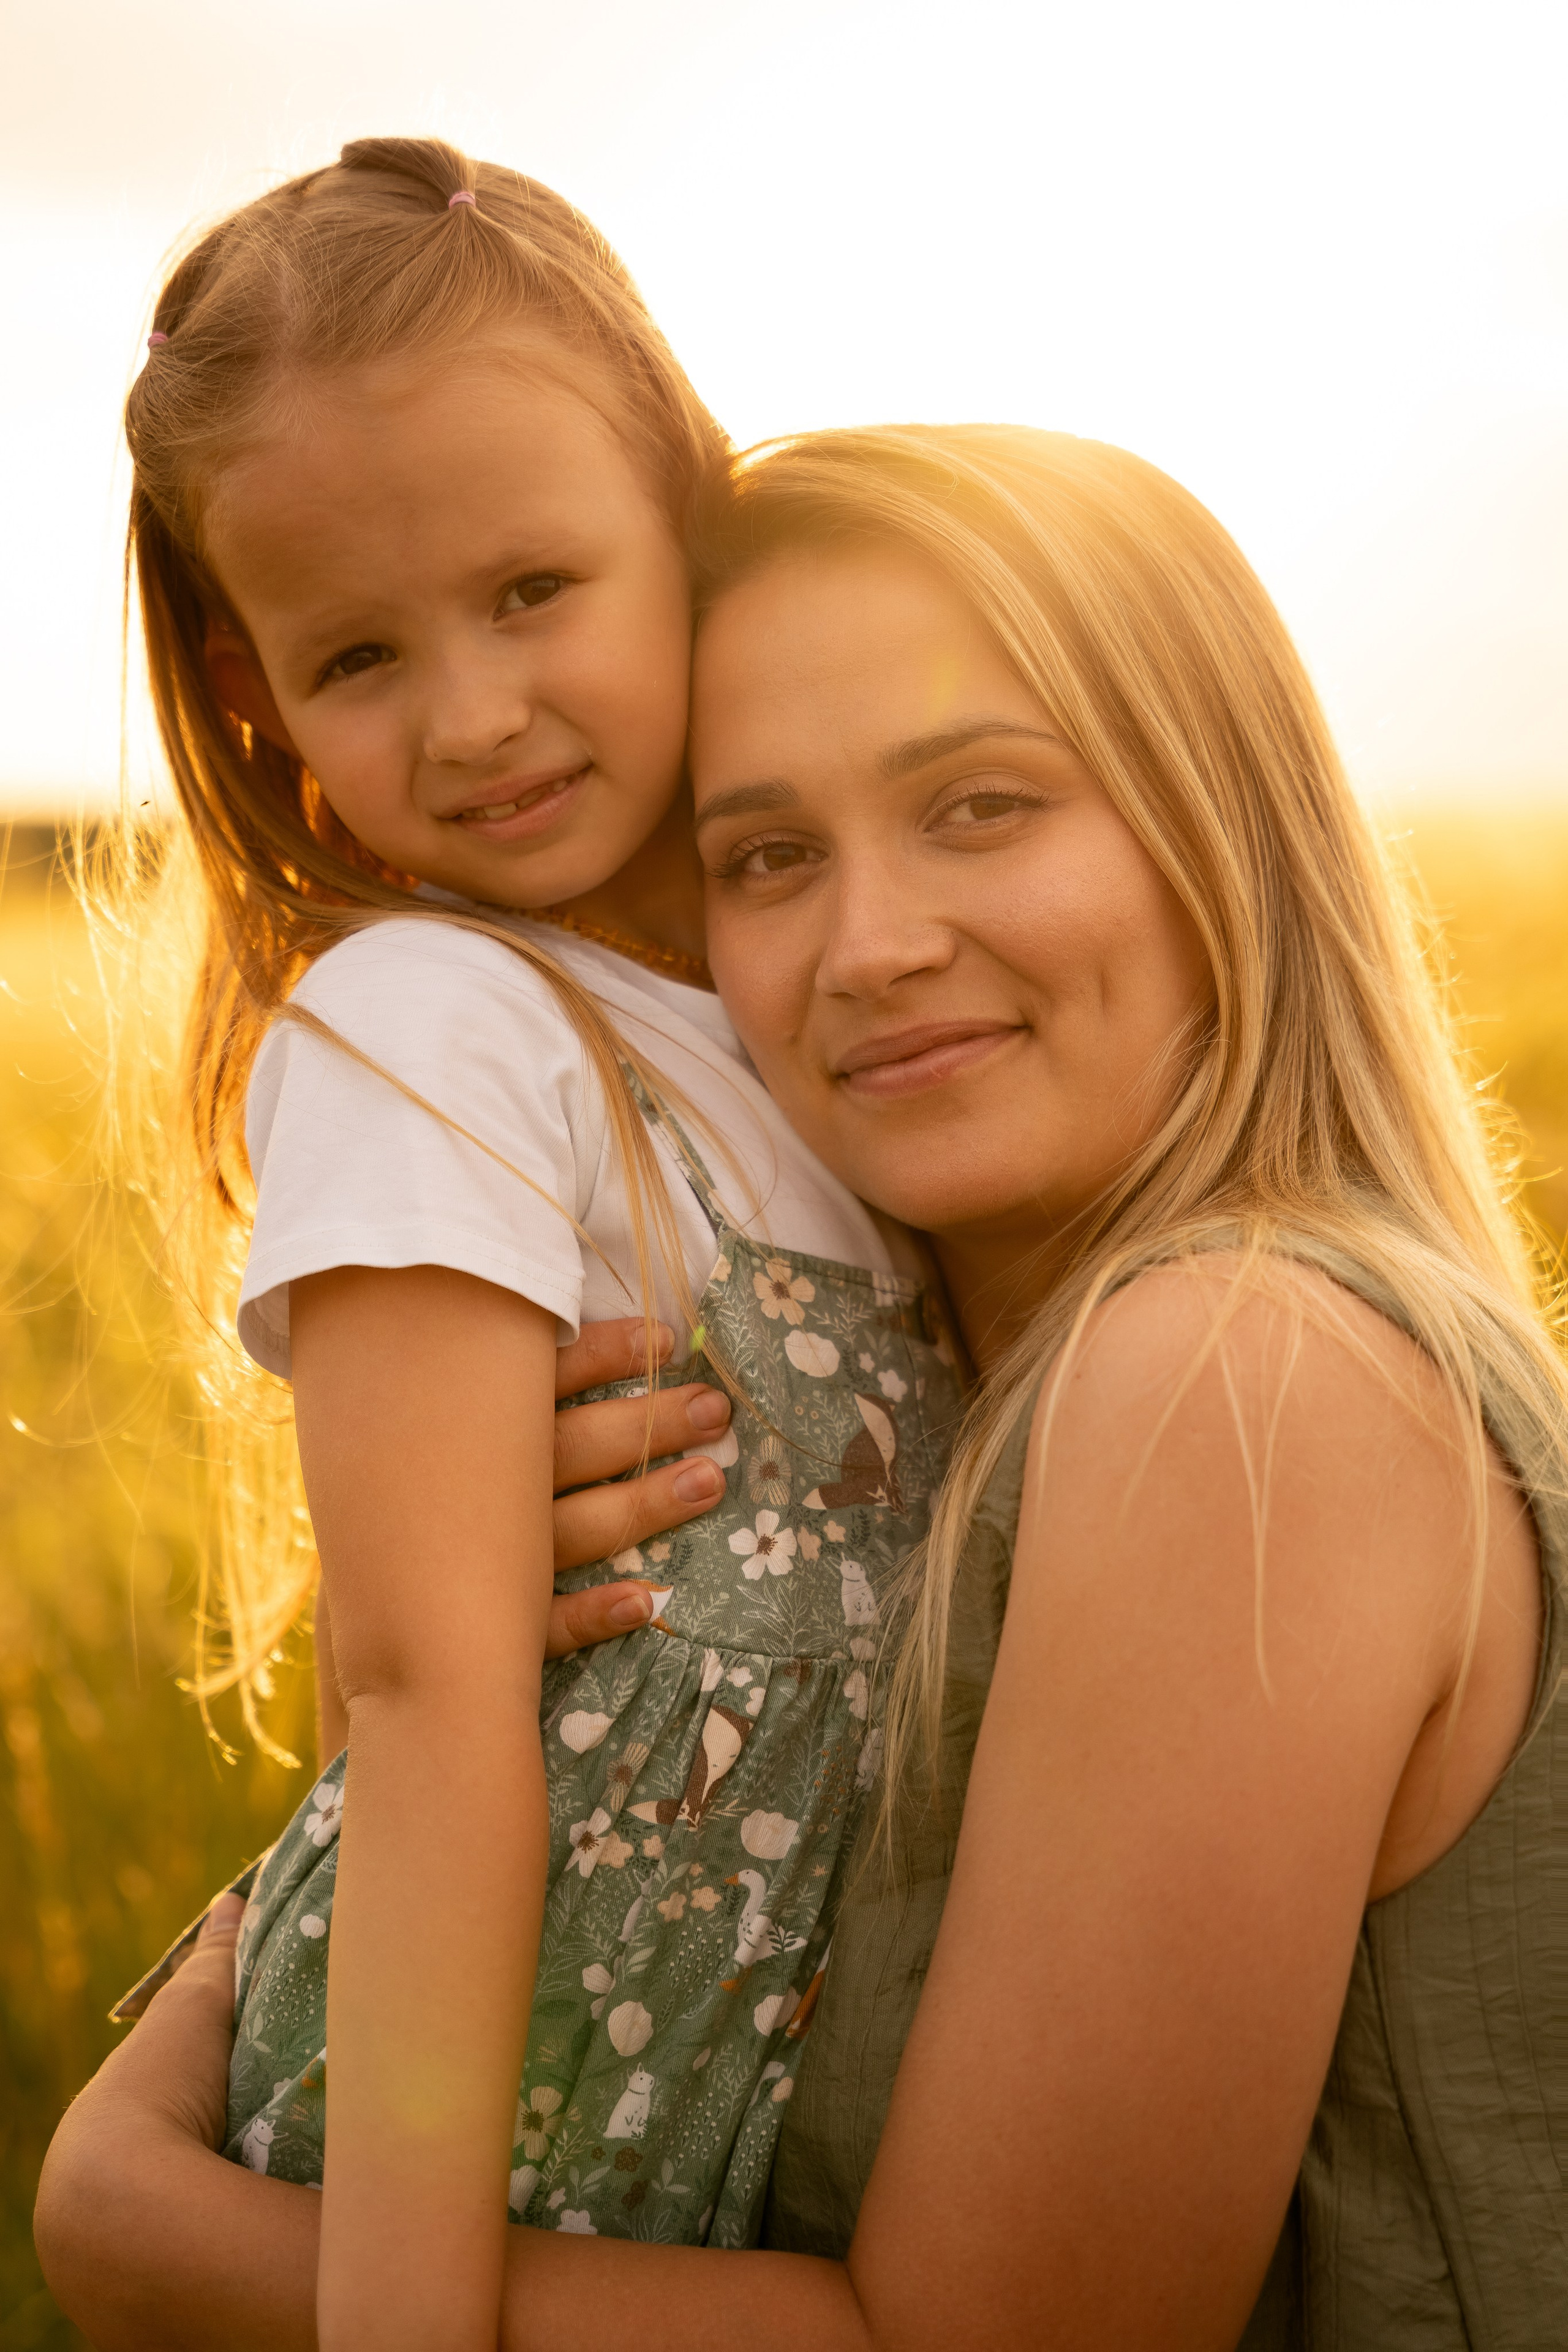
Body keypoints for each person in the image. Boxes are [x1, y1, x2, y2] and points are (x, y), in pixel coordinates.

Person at [39, 423, 1568, 2349]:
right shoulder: (950, 1432)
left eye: (987, 805)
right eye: (764, 855)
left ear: (1222, 820)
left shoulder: (1236, 1379)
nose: (872, 947)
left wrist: (144, 2221)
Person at [82, 140, 962, 2352]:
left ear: (685, 509)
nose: (471, 719)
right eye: (359, 653)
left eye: (531, 591)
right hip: (487, 2157)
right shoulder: (434, 1022)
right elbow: (427, 1692)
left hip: (738, 2129)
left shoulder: (823, 1015)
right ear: (254, 690)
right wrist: (401, 2319)